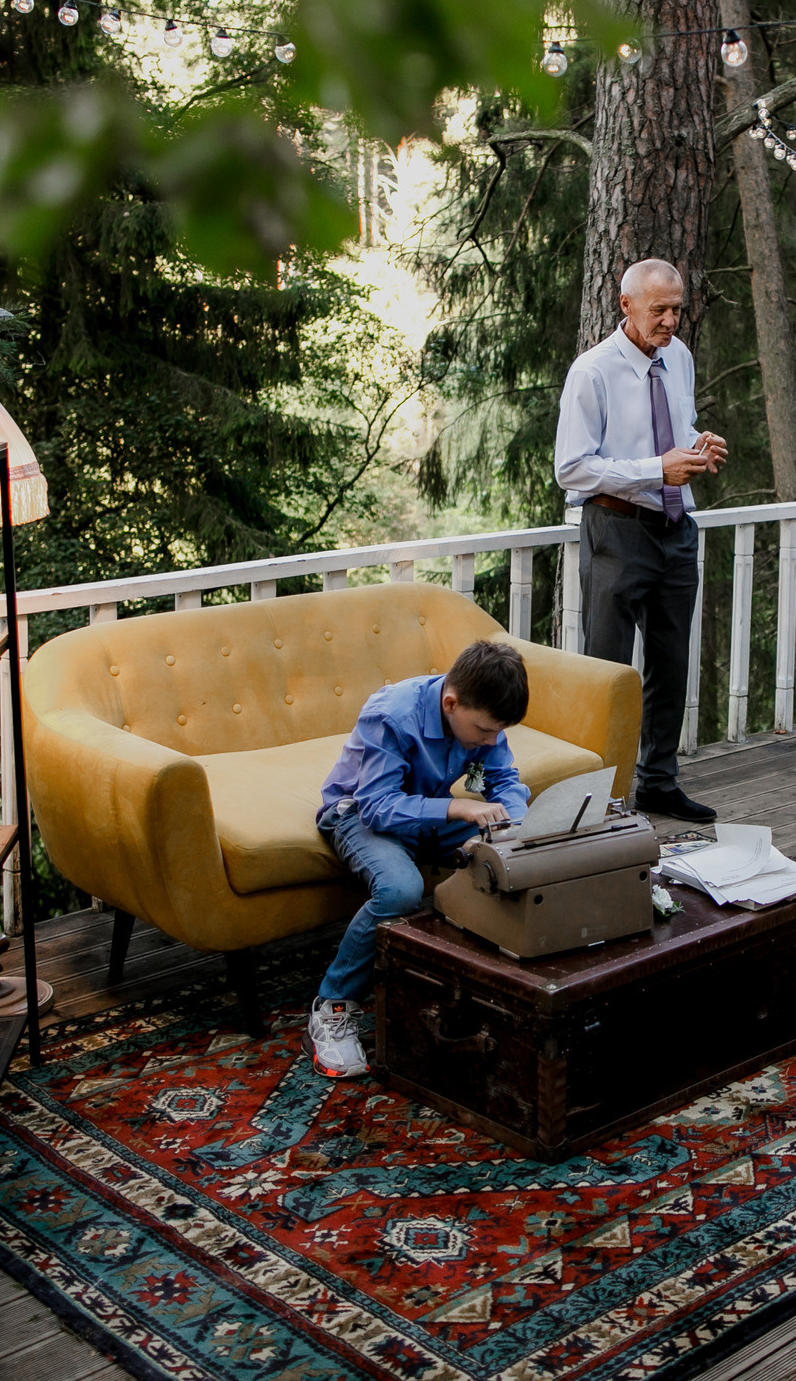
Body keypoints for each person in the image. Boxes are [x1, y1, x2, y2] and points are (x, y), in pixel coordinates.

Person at [306, 639, 531, 1080]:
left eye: (497, 732)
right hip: (359, 814)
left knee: (513, 850)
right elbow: (377, 806)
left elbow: (503, 780)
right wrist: (457, 808)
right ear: (451, 703)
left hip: (426, 814)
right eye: (484, 731)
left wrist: (515, 827)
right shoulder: (392, 714)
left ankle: (496, 986)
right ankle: (332, 1008)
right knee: (400, 889)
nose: (491, 740)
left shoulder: (481, 715)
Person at [553, 257, 729, 822]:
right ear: (626, 304)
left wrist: (698, 448)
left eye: (677, 309)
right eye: (659, 310)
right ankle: (599, 795)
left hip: (676, 532)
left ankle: (657, 783)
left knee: (670, 665)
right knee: (607, 671)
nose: (671, 321)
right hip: (616, 532)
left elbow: (675, 431)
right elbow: (572, 468)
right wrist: (657, 470)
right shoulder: (592, 372)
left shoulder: (680, 358)